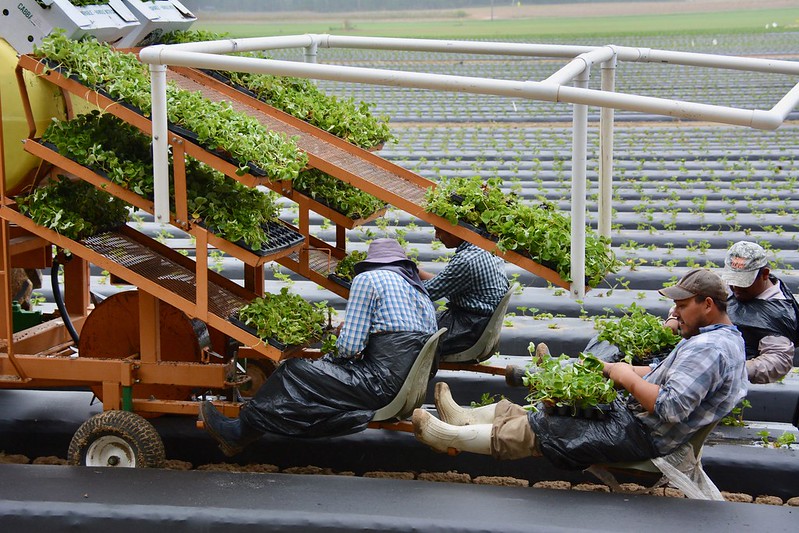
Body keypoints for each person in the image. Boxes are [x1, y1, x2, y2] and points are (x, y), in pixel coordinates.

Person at [413, 268, 747, 470]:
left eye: (682, 305)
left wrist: (626, 377)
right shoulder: (722, 340)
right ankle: (466, 418)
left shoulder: (709, 349)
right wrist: (617, 368)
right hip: (637, 422)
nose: (675, 312)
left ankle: (451, 436)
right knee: (555, 407)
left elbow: (670, 406)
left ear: (707, 305)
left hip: (643, 434)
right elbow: (672, 380)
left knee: (552, 427)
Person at [200, 238, 438, 456]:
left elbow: (348, 348)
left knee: (293, 371)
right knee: (311, 375)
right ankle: (243, 429)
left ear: (371, 265)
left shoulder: (369, 280)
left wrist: (336, 344)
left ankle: (239, 433)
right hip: (404, 387)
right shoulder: (421, 293)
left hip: (377, 385)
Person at [418, 226, 510, 359]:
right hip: (480, 323)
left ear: (457, 231)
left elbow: (427, 293)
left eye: (440, 230)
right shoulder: (484, 247)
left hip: (469, 328)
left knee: (409, 337)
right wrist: (417, 272)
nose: (436, 236)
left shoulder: (466, 260)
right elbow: (445, 282)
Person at [717, 241, 799, 384]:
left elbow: (777, 359)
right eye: (733, 280)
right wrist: (674, 317)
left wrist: (735, 370)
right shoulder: (732, 288)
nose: (735, 287)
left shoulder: (777, 314)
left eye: (743, 283)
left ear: (765, 274)